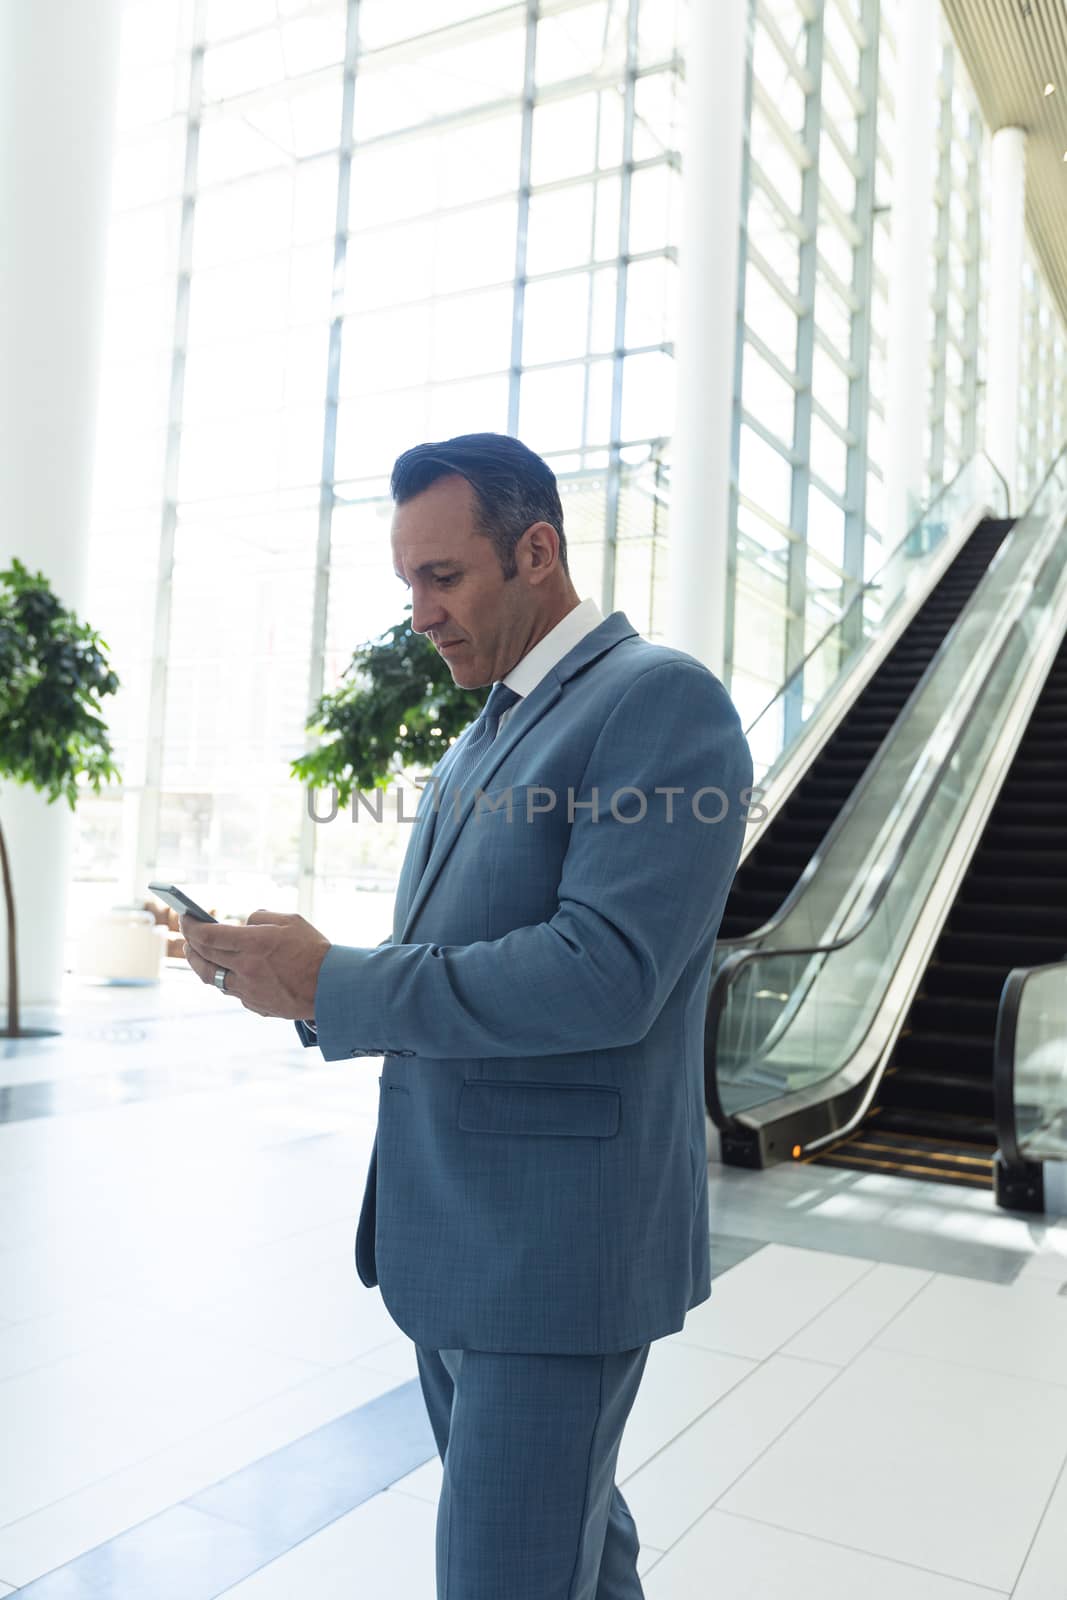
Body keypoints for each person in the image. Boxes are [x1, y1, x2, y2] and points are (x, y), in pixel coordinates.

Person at [181, 432, 753, 1600]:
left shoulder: (657, 703)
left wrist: (338, 979)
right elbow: (463, 952)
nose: (418, 612)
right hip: (462, 1238)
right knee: (576, 1562)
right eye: (406, 582)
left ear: (535, 552)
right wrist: (292, 978)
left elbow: (603, 972)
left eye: (441, 578)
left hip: (551, 1254)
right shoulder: (489, 726)